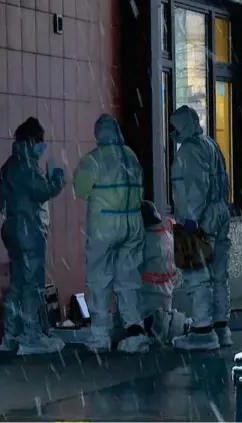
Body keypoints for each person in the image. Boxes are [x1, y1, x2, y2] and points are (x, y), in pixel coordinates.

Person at [73, 114, 151, 354]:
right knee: (128, 280)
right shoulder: (130, 156)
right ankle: (135, 331)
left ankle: (100, 335)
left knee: (100, 279)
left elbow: (81, 189)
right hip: (133, 223)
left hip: (105, 225)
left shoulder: (93, 160)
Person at [0, 117, 66, 355]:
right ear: (32, 140)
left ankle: (10, 336)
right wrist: (56, 177)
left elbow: (0, 202)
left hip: (11, 228)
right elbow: (43, 191)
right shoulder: (27, 164)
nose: (42, 146)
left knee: (16, 283)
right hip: (29, 229)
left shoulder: (8, 165)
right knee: (32, 285)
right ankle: (31, 336)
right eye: (41, 141)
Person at [169, 105, 232, 351]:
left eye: (174, 127)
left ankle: (202, 330)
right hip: (220, 212)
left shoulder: (189, 151)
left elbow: (195, 187)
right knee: (218, 274)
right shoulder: (210, 145)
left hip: (200, 217)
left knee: (198, 273)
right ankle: (220, 326)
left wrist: (192, 221)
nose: (172, 132)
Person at [139, 200, 192, 345]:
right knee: (162, 321)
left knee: (153, 324)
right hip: (166, 289)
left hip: (148, 292)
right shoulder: (167, 235)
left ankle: (173, 328)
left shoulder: (147, 239)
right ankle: (180, 326)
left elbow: (134, 265)